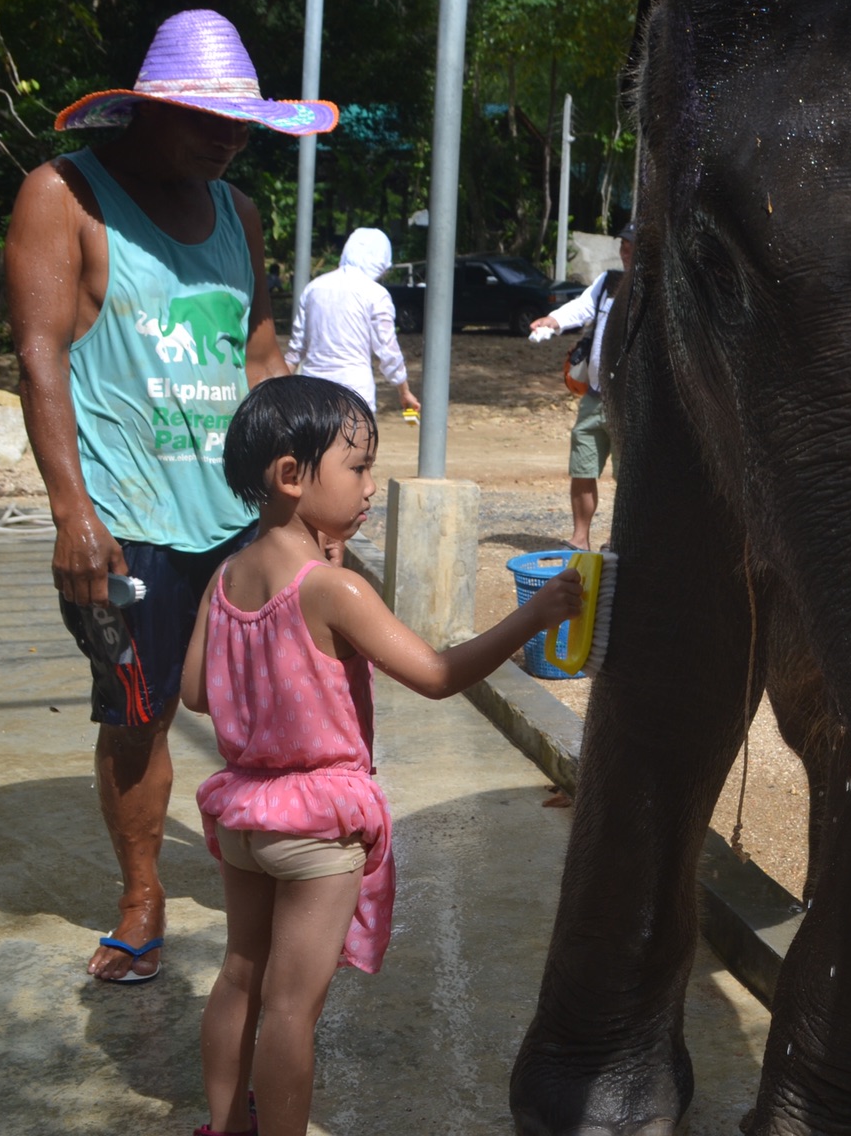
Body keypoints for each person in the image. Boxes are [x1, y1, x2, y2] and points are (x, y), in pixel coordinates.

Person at [5, 9, 337, 984]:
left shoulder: (237, 213)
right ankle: (142, 890)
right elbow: (40, 357)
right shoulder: (65, 196)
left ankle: (261, 871)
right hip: (129, 524)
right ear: (146, 110)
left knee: (276, 705)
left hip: (240, 520)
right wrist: (73, 512)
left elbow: (260, 356)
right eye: (205, 117)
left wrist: (305, 503)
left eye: (240, 123)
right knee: (139, 712)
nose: (229, 136)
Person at [181, 374, 582, 1136]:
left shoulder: (223, 578)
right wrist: (532, 617)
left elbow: (198, 692)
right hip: (317, 824)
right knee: (293, 1009)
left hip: (242, 814)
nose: (371, 486)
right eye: (358, 468)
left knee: (241, 975)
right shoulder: (335, 590)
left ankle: (227, 1127)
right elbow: (435, 675)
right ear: (292, 477)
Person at [529, 227, 630, 550]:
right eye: (623, 244)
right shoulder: (608, 283)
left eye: (634, 245)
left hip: (630, 404)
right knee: (582, 469)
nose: (627, 251)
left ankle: (620, 540)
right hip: (595, 396)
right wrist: (552, 321)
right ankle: (580, 537)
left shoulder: (656, 288)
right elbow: (581, 307)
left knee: (628, 479)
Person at [284, 226, 421, 415]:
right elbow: (388, 351)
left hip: (311, 396)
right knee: (353, 444)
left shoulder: (313, 288)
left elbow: (295, 351)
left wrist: (276, 390)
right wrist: (404, 391)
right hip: (355, 395)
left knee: (313, 445)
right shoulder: (376, 294)